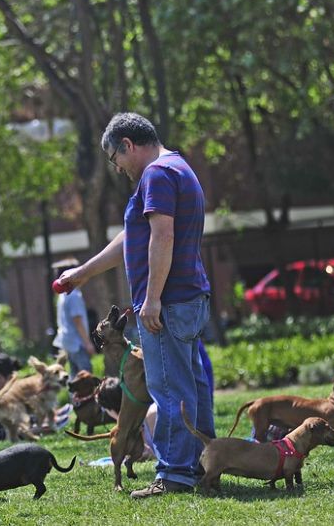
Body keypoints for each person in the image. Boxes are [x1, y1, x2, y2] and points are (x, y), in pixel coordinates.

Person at [56, 112, 215, 498]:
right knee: (192, 385)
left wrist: (153, 299)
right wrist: (85, 272)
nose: (119, 168)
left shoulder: (156, 174)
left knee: (170, 388)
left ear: (128, 144)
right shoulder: (176, 167)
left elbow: (162, 236)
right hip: (188, 297)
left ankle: (175, 474)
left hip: (170, 301)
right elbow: (135, 234)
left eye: (116, 159)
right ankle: (206, 466)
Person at [52, 258, 97, 379]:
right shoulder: (74, 295)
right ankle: (88, 398)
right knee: (86, 374)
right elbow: (77, 321)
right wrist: (88, 343)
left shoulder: (63, 296)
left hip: (67, 341)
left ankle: (74, 398)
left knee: (74, 375)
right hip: (77, 343)